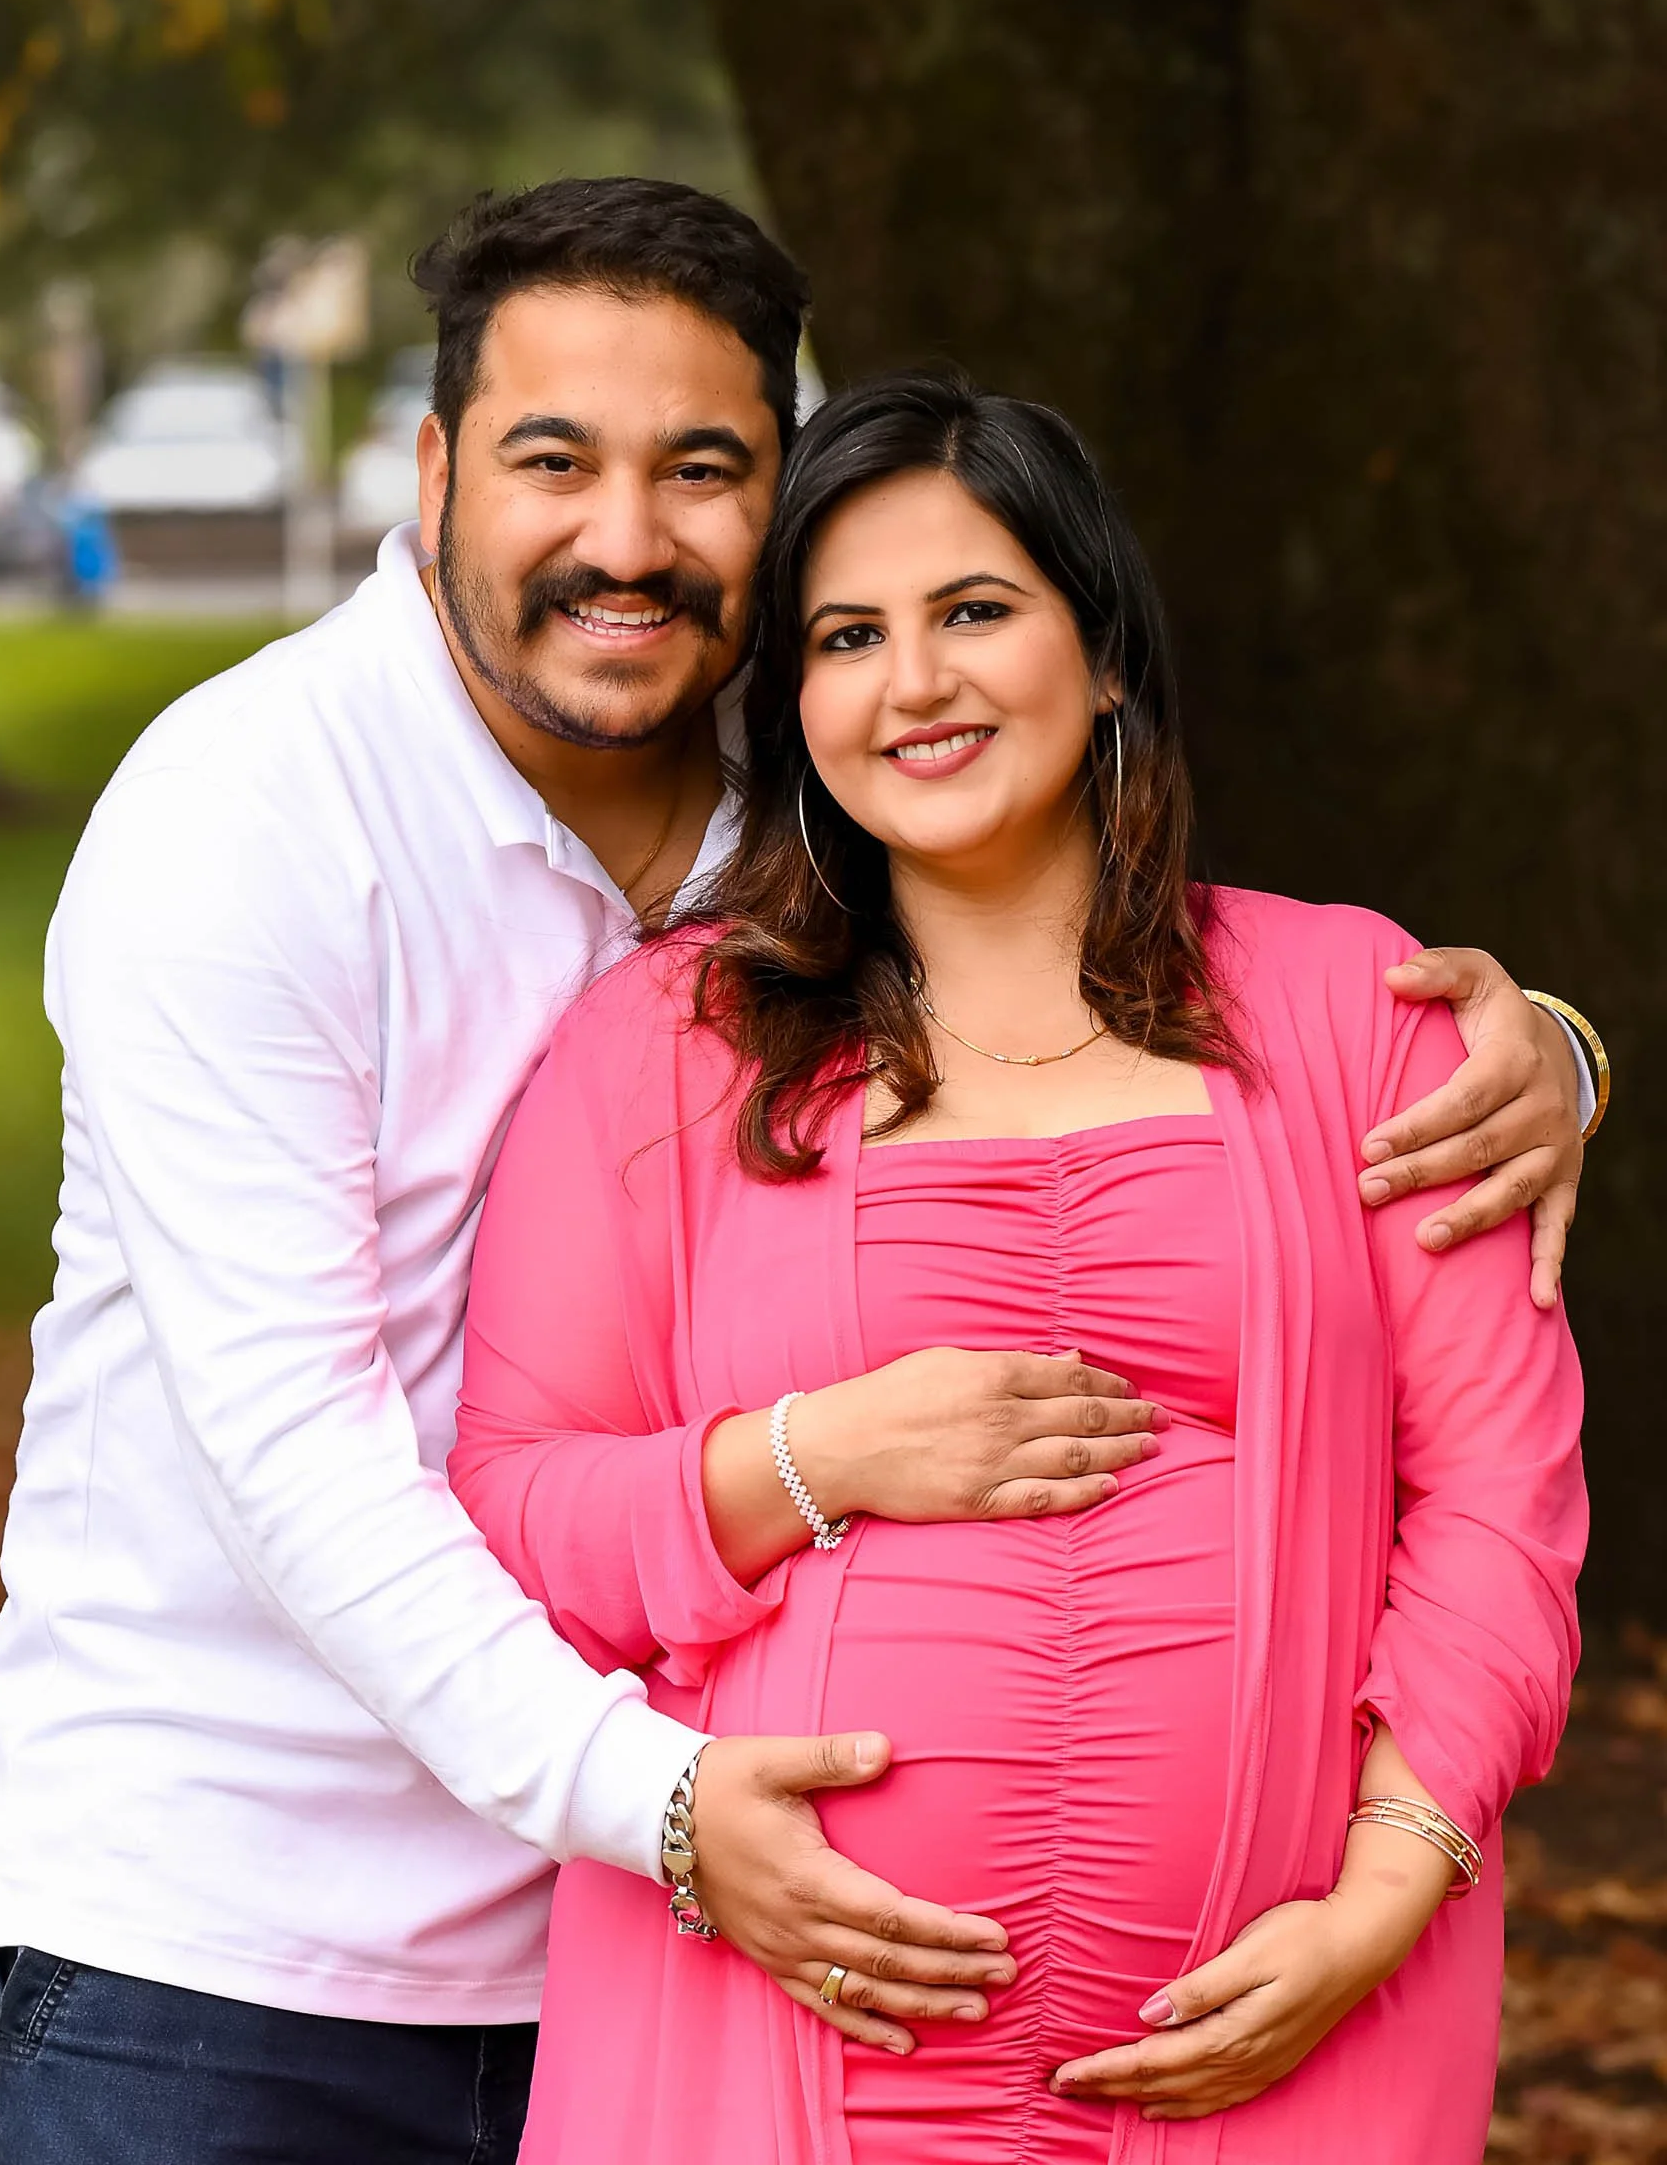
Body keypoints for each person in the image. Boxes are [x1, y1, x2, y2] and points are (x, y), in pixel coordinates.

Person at [0, 180, 1592, 2163]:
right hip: (231, 1961)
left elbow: (1267, 1089)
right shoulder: (252, 821)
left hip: (603, 1960)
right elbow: (308, 1444)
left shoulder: (782, 856)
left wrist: (1551, 1048)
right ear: (440, 465)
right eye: (555, 459)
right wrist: (678, 1749)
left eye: (700, 467)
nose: (624, 538)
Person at [449, 368, 1589, 2163]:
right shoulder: (666, 1054)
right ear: (798, 701)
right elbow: (514, 1519)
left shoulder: (1359, 1018)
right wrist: (816, 1458)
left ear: (1108, 648)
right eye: (846, 635)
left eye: (975, 610)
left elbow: (1498, 1512)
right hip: (774, 2042)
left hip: (1280, 2037)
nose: (913, 683)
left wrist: (1383, 1894)